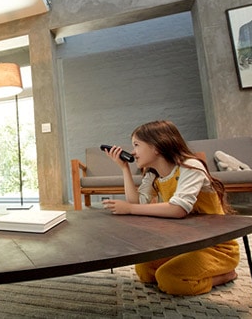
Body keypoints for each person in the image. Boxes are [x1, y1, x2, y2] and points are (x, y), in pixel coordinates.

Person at [101, 120, 239, 296]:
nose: (133, 152)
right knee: (144, 270)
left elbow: (178, 209)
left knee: (169, 279)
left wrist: (129, 209)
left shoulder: (190, 166)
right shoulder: (153, 174)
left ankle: (225, 275)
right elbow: (136, 202)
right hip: (185, 244)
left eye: (136, 145)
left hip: (214, 246)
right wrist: (124, 168)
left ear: (157, 146)